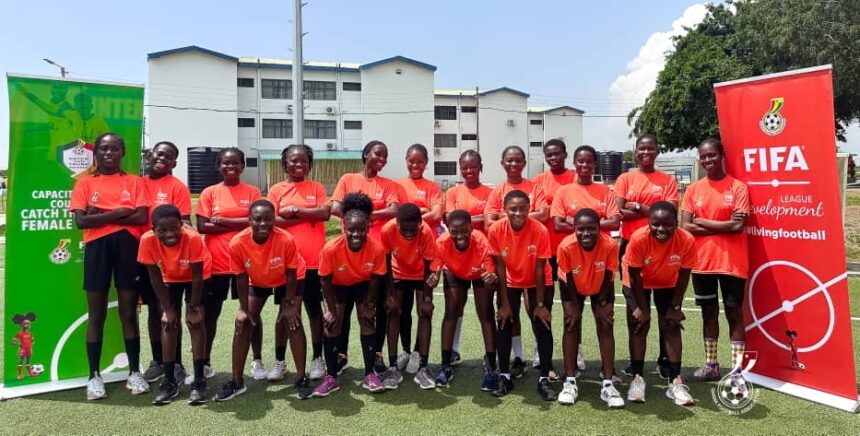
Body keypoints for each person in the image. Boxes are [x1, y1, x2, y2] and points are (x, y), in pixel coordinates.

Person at [70, 132, 150, 400]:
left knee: (128, 314)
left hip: (128, 247)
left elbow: (140, 218)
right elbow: (82, 222)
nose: (108, 153)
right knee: (97, 315)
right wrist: (119, 212)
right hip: (97, 249)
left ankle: (134, 372)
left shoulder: (135, 182)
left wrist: (100, 214)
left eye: (114, 148)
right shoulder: (83, 185)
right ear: (96, 152)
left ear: (122, 152)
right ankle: (94, 376)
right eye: (104, 148)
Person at [215, 200, 311, 401]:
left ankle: (301, 378)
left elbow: (292, 272)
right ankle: (236, 381)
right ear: (249, 220)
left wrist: (290, 304)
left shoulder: (285, 239)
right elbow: (240, 277)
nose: (263, 223)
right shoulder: (238, 242)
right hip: (258, 278)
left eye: (268, 219)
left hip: (290, 278)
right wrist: (243, 308)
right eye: (258, 219)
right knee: (243, 322)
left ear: (274, 219)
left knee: (293, 322)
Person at [680, 138, 750, 383]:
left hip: (732, 263)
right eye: (703, 156)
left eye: (712, 155)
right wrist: (723, 225)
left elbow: (737, 226)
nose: (707, 160)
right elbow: (685, 226)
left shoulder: (738, 187)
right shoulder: (693, 189)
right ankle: (711, 365)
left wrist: (702, 221)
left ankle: (737, 371)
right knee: (708, 314)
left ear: (722, 156)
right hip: (701, 263)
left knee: (734, 313)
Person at [330, 140, 400, 374]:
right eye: (377, 154)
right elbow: (335, 207)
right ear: (365, 154)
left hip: (377, 255)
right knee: (345, 309)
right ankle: (341, 354)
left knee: (375, 308)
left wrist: (367, 215)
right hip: (347, 254)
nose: (381, 159)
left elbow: (394, 210)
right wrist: (358, 218)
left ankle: (376, 354)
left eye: (385, 156)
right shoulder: (348, 179)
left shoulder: (388, 184)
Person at [551, 144, 621, 377]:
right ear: (575, 163)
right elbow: (557, 224)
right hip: (571, 257)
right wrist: (586, 225)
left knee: (604, 319)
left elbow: (615, 223)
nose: (584, 165)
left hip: (601, 257)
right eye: (580, 161)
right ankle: (574, 361)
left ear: (595, 165)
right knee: (572, 316)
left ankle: (607, 372)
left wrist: (585, 225)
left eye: (589, 162)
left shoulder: (604, 192)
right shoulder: (564, 191)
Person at [614, 134, 678, 379]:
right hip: (632, 247)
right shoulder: (625, 178)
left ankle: (665, 359)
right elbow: (617, 212)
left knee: (664, 309)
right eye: (641, 148)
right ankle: (636, 362)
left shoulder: (667, 180)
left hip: (663, 249)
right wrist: (654, 210)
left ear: (657, 151)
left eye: (650, 148)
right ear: (635, 151)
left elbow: (669, 214)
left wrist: (638, 207)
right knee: (637, 309)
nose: (646, 152)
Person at [195, 148, 262, 383]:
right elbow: (202, 227)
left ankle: (257, 359)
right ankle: (204, 362)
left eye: (235, 162)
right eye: (225, 163)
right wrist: (240, 224)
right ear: (218, 166)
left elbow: (258, 222)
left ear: (243, 166)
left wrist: (222, 221)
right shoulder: (209, 193)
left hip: (248, 263)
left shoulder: (253, 192)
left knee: (252, 313)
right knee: (210, 315)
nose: (230, 166)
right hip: (217, 264)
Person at [621, 201, 697, 406]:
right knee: (640, 325)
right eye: (655, 224)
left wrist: (675, 307)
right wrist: (643, 311)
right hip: (637, 282)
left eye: (667, 224)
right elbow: (634, 276)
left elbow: (684, 275)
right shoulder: (638, 239)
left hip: (667, 281)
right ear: (648, 223)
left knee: (671, 326)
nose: (661, 229)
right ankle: (637, 378)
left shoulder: (686, 240)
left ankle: (675, 382)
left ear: (676, 224)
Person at [313, 193, 388, 396]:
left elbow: (376, 279)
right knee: (332, 324)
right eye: (351, 230)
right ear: (344, 228)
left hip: (363, 285)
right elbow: (325, 281)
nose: (356, 234)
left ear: (368, 228)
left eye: (361, 229)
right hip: (337, 287)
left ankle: (369, 374)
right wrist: (329, 310)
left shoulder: (377, 249)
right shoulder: (330, 249)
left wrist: (370, 305)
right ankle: (331, 377)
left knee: (367, 321)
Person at [485, 146, 549, 379]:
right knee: (508, 314)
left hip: (534, 260)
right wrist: (512, 216)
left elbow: (544, 215)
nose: (513, 164)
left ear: (524, 162)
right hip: (508, 262)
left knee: (536, 311)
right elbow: (488, 221)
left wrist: (515, 214)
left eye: (518, 161)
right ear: (503, 163)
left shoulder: (534, 187)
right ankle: (518, 357)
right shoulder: (497, 191)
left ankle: (541, 357)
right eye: (509, 161)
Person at [268, 144, 331, 381]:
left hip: (315, 263)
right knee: (285, 313)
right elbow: (273, 221)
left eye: (303, 161)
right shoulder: (276, 190)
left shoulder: (317, 187)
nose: (298, 165)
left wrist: (294, 211)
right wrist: (308, 214)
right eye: (293, 161)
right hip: (287, 264)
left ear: (309, 164)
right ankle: (280, 360)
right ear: (285, 164)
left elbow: (324, 214)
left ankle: (317, 359)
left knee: (315, 312)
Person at [137, 205, 212, 405]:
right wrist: (168, 310)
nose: (170, 233)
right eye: (162, 230)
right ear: (153, 230)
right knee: (168, 323)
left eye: (174, 228)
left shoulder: (193, 238)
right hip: (169, 277)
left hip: (195, 278)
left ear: (182, 225)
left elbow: (197, 276)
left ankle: (199, 380)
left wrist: (194, 307)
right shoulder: (147, 241)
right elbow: (154, 277)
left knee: (195, 322)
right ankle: (169, 381)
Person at [488, 190, 555, 400]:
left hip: (539, 281)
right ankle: (505, 376)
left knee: (542, 323)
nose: (518, 213)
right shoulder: (496, 229)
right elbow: (499, 267)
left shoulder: (540, 230)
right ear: (504, 210)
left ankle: (544, 377)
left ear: (529, 209)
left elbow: (539, 269)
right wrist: (505, 303)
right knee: (505, 322)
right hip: (510, 280)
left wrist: (540, 304)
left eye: (523, 209)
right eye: (513, 209)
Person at [556, 209, 624, 408]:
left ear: (599, 228)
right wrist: (573, 307)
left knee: (605, 324)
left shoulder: (610, 245)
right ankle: (569, 381)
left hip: (600, 285)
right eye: (581, 229)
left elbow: (609, 275)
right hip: (572, 287)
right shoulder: (566, 246)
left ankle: (608, 384)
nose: (586, 233)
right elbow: (567, 278)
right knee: (571, 324)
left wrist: (602, 303)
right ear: (574, 229)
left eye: (591, 229)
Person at [138, 141, 194, 385]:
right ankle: (157, 361)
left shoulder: (177, 187)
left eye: (169, 156)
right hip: (143, 255)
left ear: (174, 163)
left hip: (170, 261)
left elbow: (185, 223)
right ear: (151, 155)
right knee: (153, 310)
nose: (162, 158)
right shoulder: (137, 183)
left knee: (172, 311)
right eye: (159, 153)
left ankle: (177, 363)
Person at [432, 210, 499, 389]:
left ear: (471, 228)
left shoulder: (482, 242)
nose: (460, 235)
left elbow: (490, 273)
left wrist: (491, 278)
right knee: (451, 312)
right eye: (455, 231)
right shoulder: (441, 242)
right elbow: (435, 270)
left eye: (464, 230)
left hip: (478, 273)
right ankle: (445, 365)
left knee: (485, 312)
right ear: (449, 230)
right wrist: (433, 277)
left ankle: (492, 367)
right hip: (455, 272)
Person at [395, 144, 443, 373]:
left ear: (426, 163)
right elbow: (396, 215)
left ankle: (418, 353)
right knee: (402, 310)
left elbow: (436, 215)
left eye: (420, 161)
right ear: (406, 160)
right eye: (411, 161)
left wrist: (413, 213)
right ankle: (405, 349)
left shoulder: (432, 187)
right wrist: (420, 212)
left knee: (424, 307)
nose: (415, 165)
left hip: (424, 257)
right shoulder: (398, 186)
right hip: (401, 260)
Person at [380, 203, 439, 389]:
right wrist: (390, 294)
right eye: (404, 229)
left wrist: (428, 299)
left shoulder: (426, 232)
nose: (408, 234)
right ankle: (392, 366)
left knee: (425, 313)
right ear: (396, 223)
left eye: (412, 230)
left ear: (420, 224)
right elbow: (386, 263)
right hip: (397, 274)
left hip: (421, 274)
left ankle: (423, 365)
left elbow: (429, 267)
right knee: (395, 312)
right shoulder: (387, 230)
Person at [442, 149, 493, 367]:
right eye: (465, 166)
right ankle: (452, 351)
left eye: (473, 166)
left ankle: (491, 357)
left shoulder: (491, 192)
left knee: (485, 310)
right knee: (454, 307)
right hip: (456, 257)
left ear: (481, 167)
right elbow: (451, 219)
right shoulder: (453, 193)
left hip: (482, 255)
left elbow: (491, 220)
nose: (469, 170)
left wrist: (465, 219)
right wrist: (476, 219)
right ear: (460, 168)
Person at [531, 139, 575, 375]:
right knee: (544, 303)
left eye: (557, 153)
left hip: (570, 250)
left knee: (572, 304)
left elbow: (576, 215)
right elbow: (538, 213)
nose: (553, 158)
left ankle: (575, 349)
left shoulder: (576, 178)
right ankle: (541, 348)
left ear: (565, 154)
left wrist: (561, 217)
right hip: (544, 251)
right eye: (549, 155)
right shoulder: (538, 181)